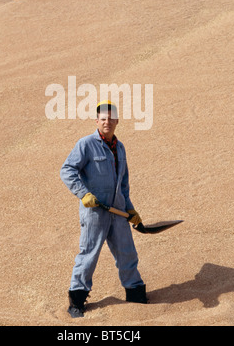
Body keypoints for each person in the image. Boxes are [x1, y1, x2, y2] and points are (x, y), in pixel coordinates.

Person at [60, 100, 147, 318]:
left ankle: (135, 293)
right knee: (88, 255)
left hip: (117, 211)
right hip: (95, 212)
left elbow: (123, 183)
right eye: (103, 118)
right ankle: (77, 301)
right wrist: (83, 194)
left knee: (127, 253)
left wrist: (130, 210)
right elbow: (67, 170)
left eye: (111, 118)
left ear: (117, 121)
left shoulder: (121, 147)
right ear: (97, 120)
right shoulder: (86, 144)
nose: (107, 122)